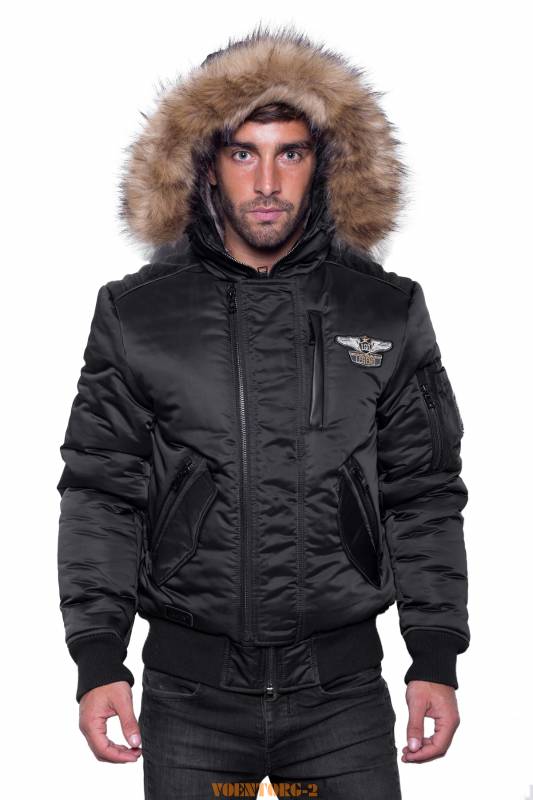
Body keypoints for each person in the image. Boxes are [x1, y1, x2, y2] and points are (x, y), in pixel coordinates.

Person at [56, 24, 469, 800]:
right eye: (244, 153)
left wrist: (435, 656)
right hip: (190, 697)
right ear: (205, 163)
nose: (268, 181)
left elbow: (422, 493)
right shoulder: (138, 315)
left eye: (291, 153)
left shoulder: (383, 310)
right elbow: (102, 494)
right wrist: (98, 659)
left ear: (327, 163)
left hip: (342, 697)